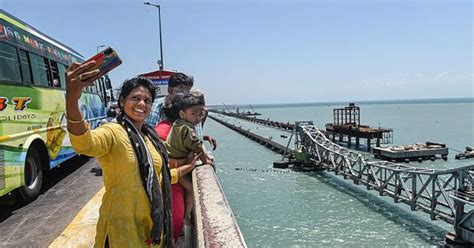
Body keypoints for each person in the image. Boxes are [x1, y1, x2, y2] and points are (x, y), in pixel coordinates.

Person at [65, 61, 199, 248]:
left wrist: (189, 166)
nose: (141, 104)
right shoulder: (113, 131)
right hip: (121, 232)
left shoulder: (149, 137)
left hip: (150, 230)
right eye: (135, 98)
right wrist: (71, 99)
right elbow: (84, 143)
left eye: (147, 100)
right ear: (122, 102)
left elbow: (160, 177)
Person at [165, 94, 211, 224]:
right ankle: (186, 217)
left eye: (200, 114)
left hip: (172, 162)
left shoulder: (178, 124)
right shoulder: (187, 128)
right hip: (176, 165)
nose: (197, 118)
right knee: (190, 189)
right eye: (193, 114)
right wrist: (205, 161)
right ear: (182, 114)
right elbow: (196, 146)